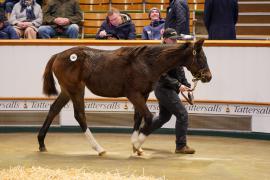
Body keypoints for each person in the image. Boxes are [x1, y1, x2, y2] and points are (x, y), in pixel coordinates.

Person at [145, 28, 195, 154]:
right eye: (172, 39)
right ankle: (181, 146)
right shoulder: (159, 53)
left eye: (176, 39)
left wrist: (186, 85)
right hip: (163, 88)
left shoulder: (175, 51)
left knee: (163, 117)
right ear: (165, 39)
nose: (175, 41)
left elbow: (180, 70)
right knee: (182, 115)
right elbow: (161, 75)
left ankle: (141, 133)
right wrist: (178, 85)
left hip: (168, 89)